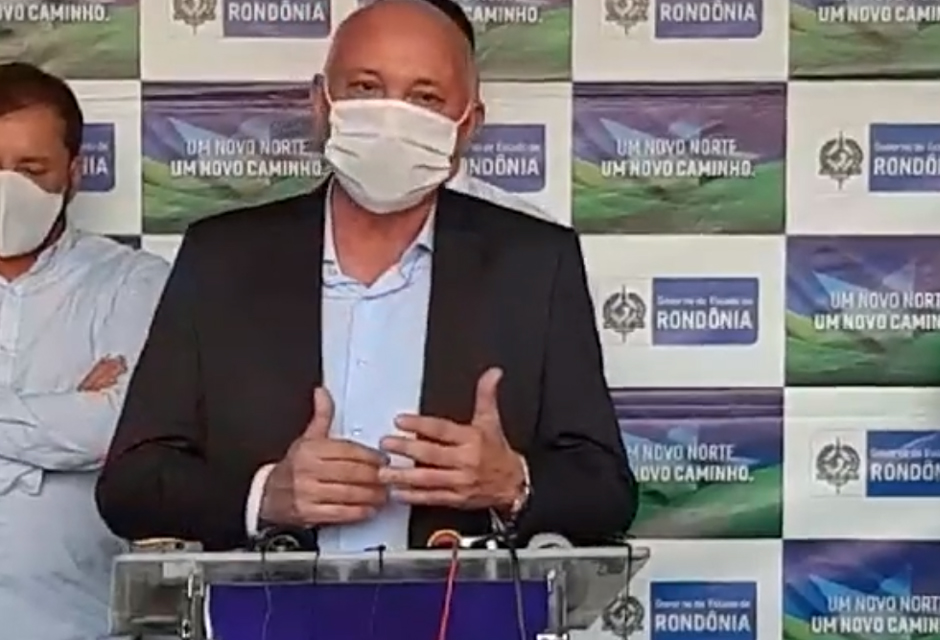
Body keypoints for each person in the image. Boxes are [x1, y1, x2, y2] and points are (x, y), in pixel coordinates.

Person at [96, 0, 635, 552]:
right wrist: (264, 496)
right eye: (365, 87)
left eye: (425, 98)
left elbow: (607, 491)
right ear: (320, 103)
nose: (391, 117)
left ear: (468, 125)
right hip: (267, 604)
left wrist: (511, 484)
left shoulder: (535, 264)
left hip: (458, 603)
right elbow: (130, 486)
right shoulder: (222, 258)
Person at [0, 62, 169, 639]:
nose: (8, 188)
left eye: (31, 169)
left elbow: (118, 426)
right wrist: (62, 411)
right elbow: (85, 428)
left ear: (73, 173)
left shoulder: (133, 282)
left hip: (78, 622)